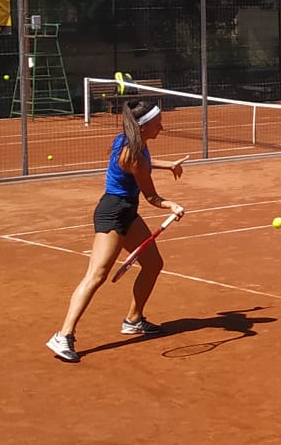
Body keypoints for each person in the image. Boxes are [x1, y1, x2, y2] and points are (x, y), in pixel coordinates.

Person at [47, 102, 186, 363]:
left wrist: (167, 164)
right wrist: (173, 206)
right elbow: (153, 197)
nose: (162, 127)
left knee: (153, 263)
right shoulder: (133, 156)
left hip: (127, 213)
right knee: (96, 275)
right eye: (158, 124)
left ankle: (133, 319)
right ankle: (63, 334)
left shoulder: (127, 140)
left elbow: (143, 161)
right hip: (113, 213)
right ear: (144, 126)